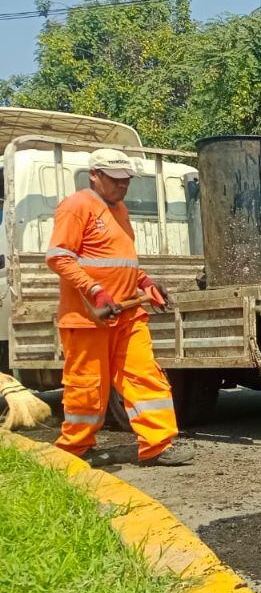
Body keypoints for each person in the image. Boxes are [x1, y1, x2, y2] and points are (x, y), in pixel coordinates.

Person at [45, 148, 192, 467]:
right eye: (115, 180)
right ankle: (75, 450)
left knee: (145, 377)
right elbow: (59, 258)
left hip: (128, 315)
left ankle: (158, 444)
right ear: (94, 176)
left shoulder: (120, 210)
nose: (122, 186)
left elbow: (123, 261)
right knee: (87, 386)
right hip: (88, 318)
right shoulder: (76, 207)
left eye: (126, 180)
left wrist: (146, 282)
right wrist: (96, 291)